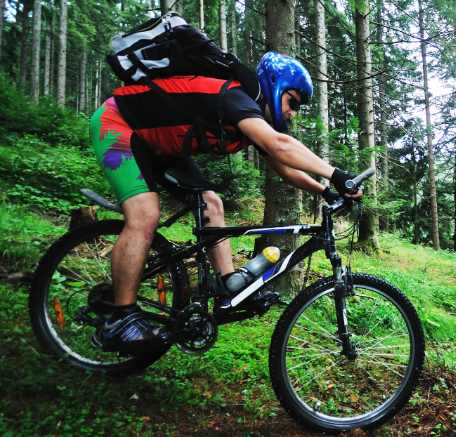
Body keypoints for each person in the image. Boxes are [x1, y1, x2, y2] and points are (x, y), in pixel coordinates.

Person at [88, 52, 361, 353]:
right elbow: (279, 146)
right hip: (119, 124)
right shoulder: (236, 98)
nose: (294, 112)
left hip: (159, 146)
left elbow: (284, 168)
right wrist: (336, 175)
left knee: (211, 204)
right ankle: (120, 320)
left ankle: (226, 285)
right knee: (145, 215)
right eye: (292, 102)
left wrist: (324, 191)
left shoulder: (251, 118)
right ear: (275, 86)